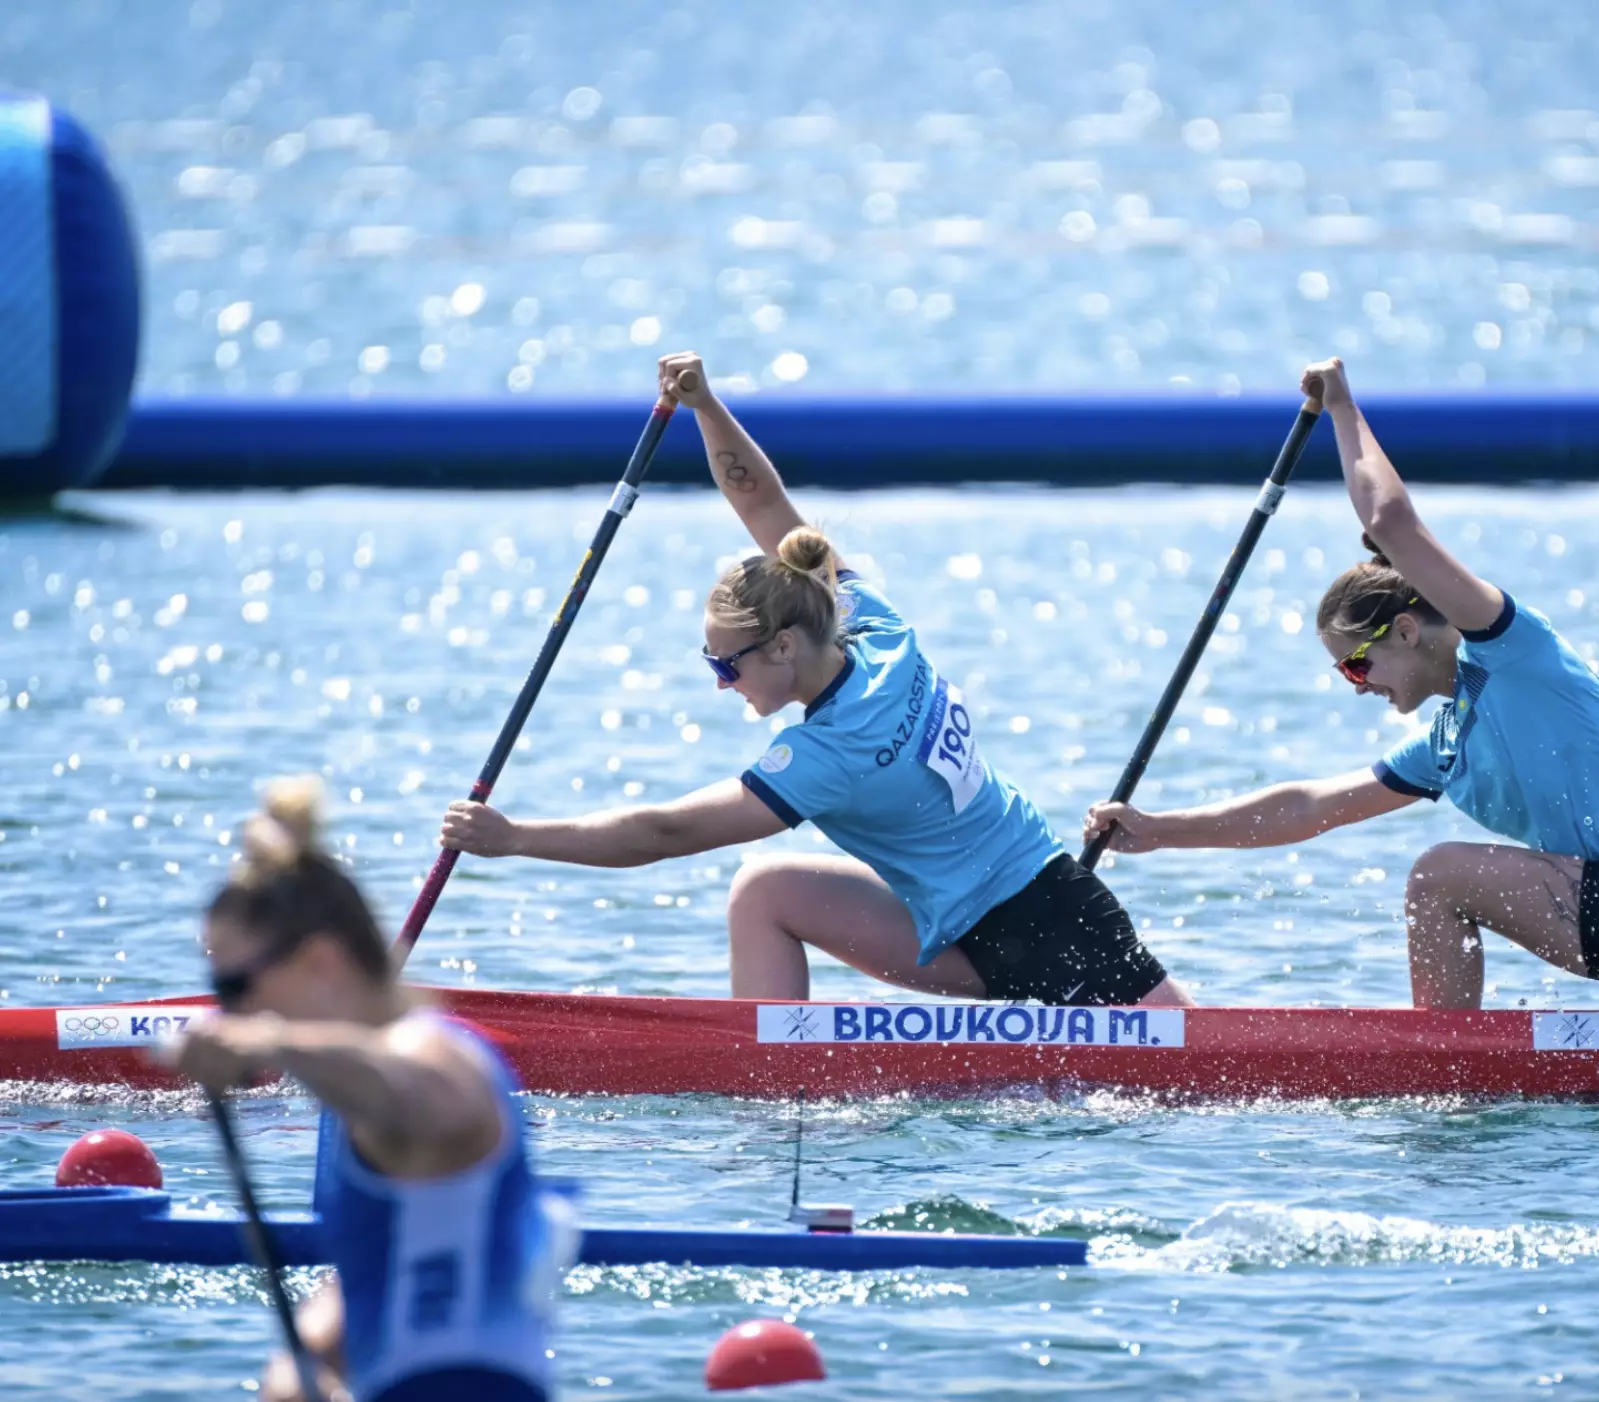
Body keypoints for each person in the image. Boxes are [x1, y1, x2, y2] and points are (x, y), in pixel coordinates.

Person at [439, 351, 1190, 1008]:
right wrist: (704, 404)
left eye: (724, 665)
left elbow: (664, 832)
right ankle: (772, 1084)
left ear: (784, 648)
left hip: (1050, 931)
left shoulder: (828, 754)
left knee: (1201, 1065)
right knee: (765, 892)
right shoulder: (869, 620)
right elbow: (761, 504)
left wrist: (512, 840)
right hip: (1001, 915)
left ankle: (774, 1076)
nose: (720, 684)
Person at [1085, 358, 1599, 1013]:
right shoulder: (1444, 744)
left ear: (1407, 631)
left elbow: (1391, 520)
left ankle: (1446, 1078)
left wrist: (1343, 408)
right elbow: (1308, 808)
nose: (1353, 687)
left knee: (1438, 878)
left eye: (1356, 664)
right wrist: (1158, 830)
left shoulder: (1513, 649)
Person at [163, 777, 566, 1402]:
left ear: (320, 961)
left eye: (235, 988)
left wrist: (266, 1042)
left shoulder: (432, 1056)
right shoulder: (354, 1094)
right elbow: (387, 1277)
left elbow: (417, 1092)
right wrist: (311, 1355)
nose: (226, 1011)